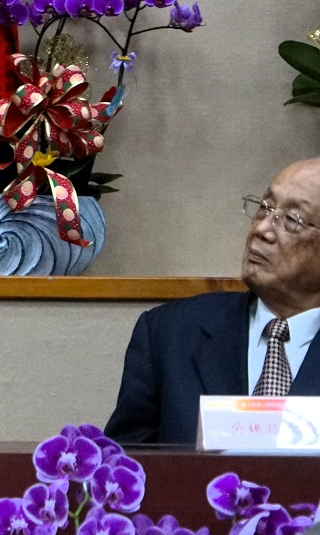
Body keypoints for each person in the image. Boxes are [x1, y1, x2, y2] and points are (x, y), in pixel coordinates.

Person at [106, 158, 320, 444]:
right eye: (264, 208)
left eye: (292, 220)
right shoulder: (168, 333)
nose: (262, 229)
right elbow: (124, 464)